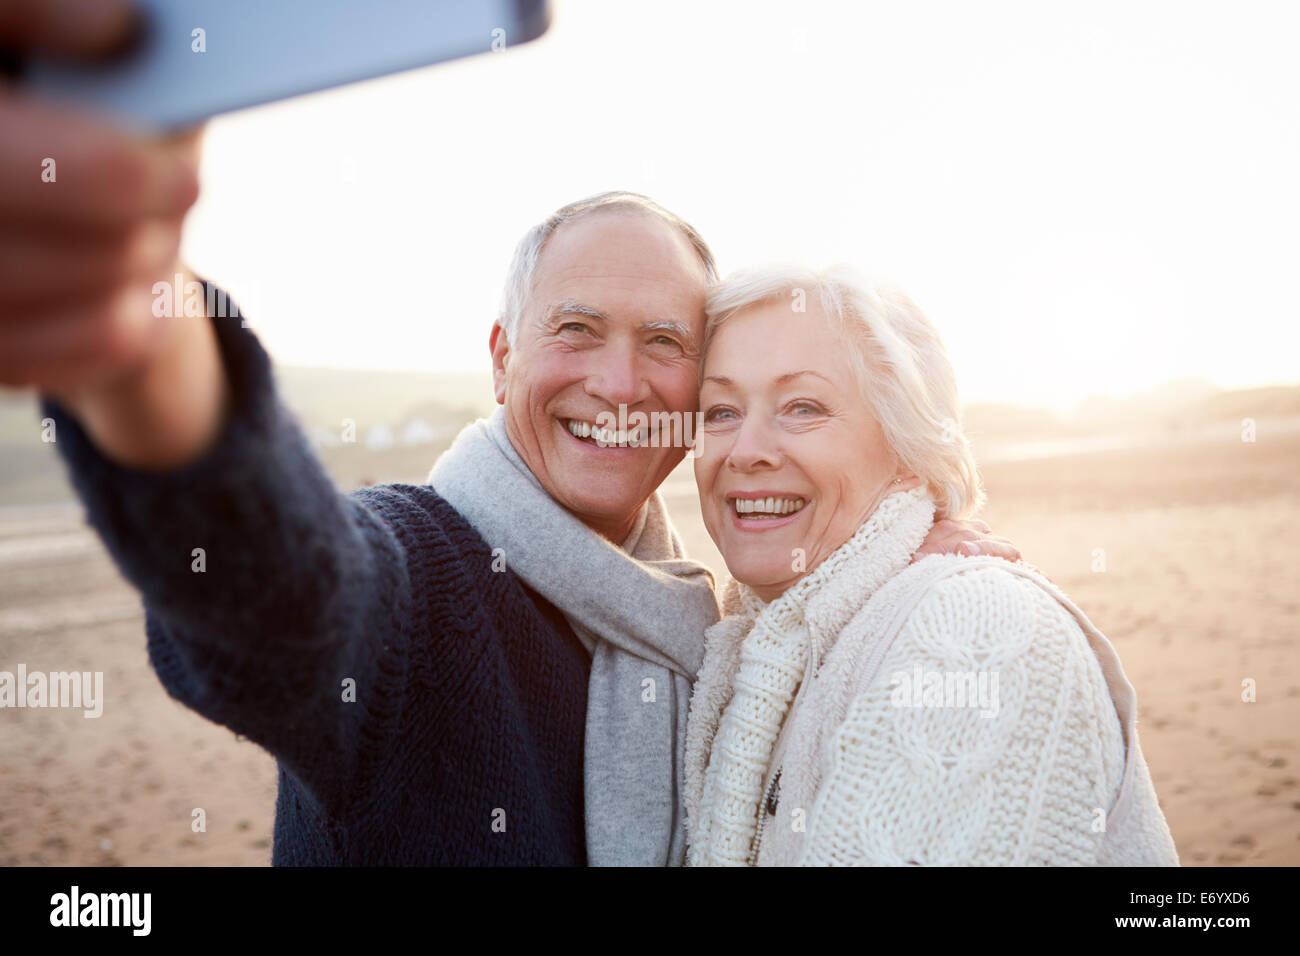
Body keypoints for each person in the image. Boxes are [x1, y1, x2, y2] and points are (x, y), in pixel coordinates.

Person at [0, 0, 1019, 865]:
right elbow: (273, 585)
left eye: (663, 341)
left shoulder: (693, 622)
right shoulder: (415, 582)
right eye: (576, 329)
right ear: (501, 357)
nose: (617, 382)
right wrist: (139, 327)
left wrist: (894, 549)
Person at [683, 265, 1180, 865]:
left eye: (803, 406)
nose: (745, 451)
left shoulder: (974, 626)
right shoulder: (755, 646)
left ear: (910, 450)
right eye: (719, 411)